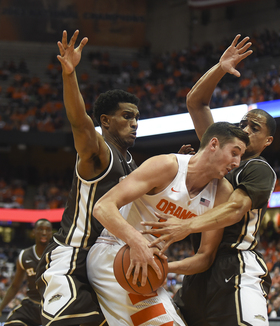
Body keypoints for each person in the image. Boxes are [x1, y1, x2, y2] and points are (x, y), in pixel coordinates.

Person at [35, 30, 193, 326]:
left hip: (108, 259)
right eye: (127, 117)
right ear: (105, 121)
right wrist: (70, 75)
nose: (135, 124)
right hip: (73, 257)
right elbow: (79, 122)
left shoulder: (134, 165)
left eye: (137, 118)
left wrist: (179, 164)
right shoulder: (98, 152)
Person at [141, 35, 277, 326]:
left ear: (267, 140)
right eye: (242, 123)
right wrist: (220, 67)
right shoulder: (219, 156)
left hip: (234, 263)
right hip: (200, 266)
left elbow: (234, 209)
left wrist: (185, 226)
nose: (245, 129)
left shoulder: (257, 168)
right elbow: (196, 102)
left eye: (254, 128)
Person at [87, 121, 249, 325]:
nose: (237, 162)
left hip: (147, 266)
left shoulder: (222, 192)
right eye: (234, 152)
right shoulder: (167, 166)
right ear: (213, 144)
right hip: (115, 252)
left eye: (241, 156)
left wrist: (166, 268)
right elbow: (102, 207)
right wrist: (137, 243)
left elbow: (205, 257)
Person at [0, 219, 52, 326]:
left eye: (47, 230)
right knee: (11, 324)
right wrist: (0, 307)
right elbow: (15, 286)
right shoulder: (25, 255)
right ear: (33, 232)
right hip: (31, 306)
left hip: (53, 305)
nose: (44, 233)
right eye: (40, 229)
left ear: (52, 233)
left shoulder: (58, 254)